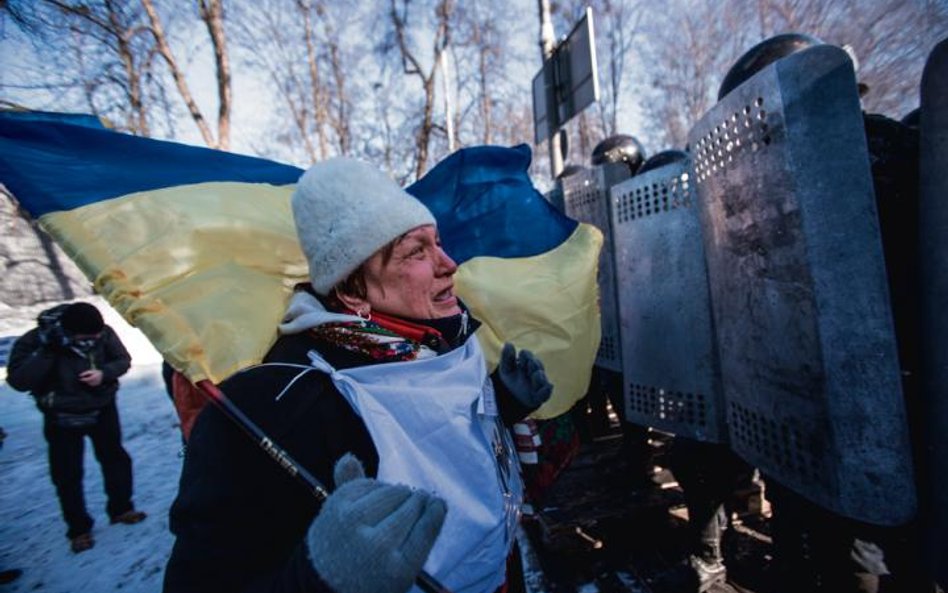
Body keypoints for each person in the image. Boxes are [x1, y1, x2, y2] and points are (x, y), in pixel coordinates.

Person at [163, 157, 554, 593]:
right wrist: (319, 579)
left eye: (437, 243)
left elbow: (443, 442)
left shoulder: (439, 343)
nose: (448, 263)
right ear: (352, 288)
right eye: (416, 251)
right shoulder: (275, 403)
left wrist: (503, 402)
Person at [6, 302, 146, 554]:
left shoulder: (103, 332)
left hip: (102, 407)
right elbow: (19, 381)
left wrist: (103, 373)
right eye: (87, 336)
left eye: (97, 334)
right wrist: (48, 352)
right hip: (60, 416)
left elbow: (122, 360)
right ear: (69, 331)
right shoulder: (36, 341)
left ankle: (122, 509)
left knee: (115, 458)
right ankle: (78, 529)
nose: (94, 339)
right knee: (67, 473)